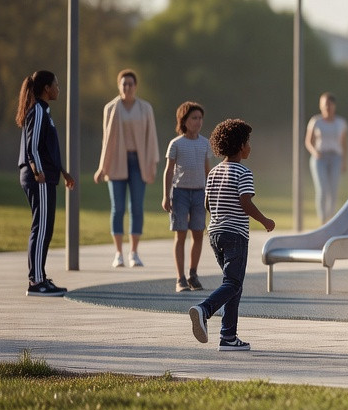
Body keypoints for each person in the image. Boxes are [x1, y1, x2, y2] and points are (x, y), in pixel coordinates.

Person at [188, 119, 275, 352]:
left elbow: (207, 204)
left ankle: (228, 337)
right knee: (233, 282)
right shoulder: (244, 172)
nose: (250, 147)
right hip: (235, 234)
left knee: (233, 283)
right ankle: (204, 309)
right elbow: (245, 203)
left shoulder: (214, 172)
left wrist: (220, 216)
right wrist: (264, 220)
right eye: (248, 142)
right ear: (240, 146)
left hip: (215, 233)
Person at [17, 71, 77, 297]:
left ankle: (40, 277)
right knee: (41, 228)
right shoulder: (39, 110)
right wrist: (37, 170)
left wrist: (62, 172)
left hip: (47, 176)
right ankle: (36, 282)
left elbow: (47, 148)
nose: (58, 89)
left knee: (45, 227)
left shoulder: (44, 110)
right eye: (56, 85)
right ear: (46, 88)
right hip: (39, 178)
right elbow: (32, 146)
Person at [94, 69, 159, 268]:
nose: (127, 87)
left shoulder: (145, 108)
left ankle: (134, 253)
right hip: (116, 161)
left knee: (136, 207)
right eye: (124, 84)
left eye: (130, 84)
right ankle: (118, 253)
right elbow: (106, 140)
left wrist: (152, 163)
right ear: (119, 86)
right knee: (118, 208)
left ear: (135, 86)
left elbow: (151, 137)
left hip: (139, 162)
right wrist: (102, 167)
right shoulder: (110, 108)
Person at [162, 102, 211, 293]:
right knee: (180, 233)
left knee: (198, 233)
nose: (198, 122)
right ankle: (180, 278)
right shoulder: (176, 144)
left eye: (200, 118)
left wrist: (210, 194)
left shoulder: (205, 143)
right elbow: (169, 171)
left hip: (199, 193)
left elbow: (207, 171)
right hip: (180, 192)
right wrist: (166, 196)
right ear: (184, 120)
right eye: (194, 118)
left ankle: (193, 274)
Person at [306, 92, 348, 223]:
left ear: (334, 106)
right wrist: (315, 152)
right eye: (325, 105)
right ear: (320, 106)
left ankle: (331, 218)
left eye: (329, 104)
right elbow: (308, 141)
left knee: (333, 189)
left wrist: (344, 161)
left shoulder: (341, 123)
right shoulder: (316, 121)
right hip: (320, 157)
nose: (327, 107)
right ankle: (323, 219)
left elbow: (344, 144)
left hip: (336, 157)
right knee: (322, 189)